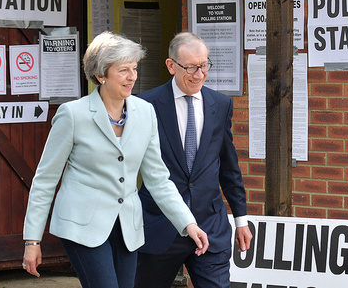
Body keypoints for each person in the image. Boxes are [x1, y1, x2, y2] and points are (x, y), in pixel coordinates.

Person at [22, 31, 209, 288]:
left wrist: (187, 223)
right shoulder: (73, 115)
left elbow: (158, 179)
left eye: (134, 68)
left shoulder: (145, 112)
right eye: (123, 70)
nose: (132, 76)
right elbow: (45, 179)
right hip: (82, 226)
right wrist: (32, 241)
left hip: (128, 227)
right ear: (101, 75)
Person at [134, 32, 252, 288]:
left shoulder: (220, 104)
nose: (199, 74)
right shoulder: (144, 105)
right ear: (171, 66)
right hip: (158, 226)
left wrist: (241, 219)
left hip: (210, 226)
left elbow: (229, 167)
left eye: (204, 65)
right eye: (190, 67)